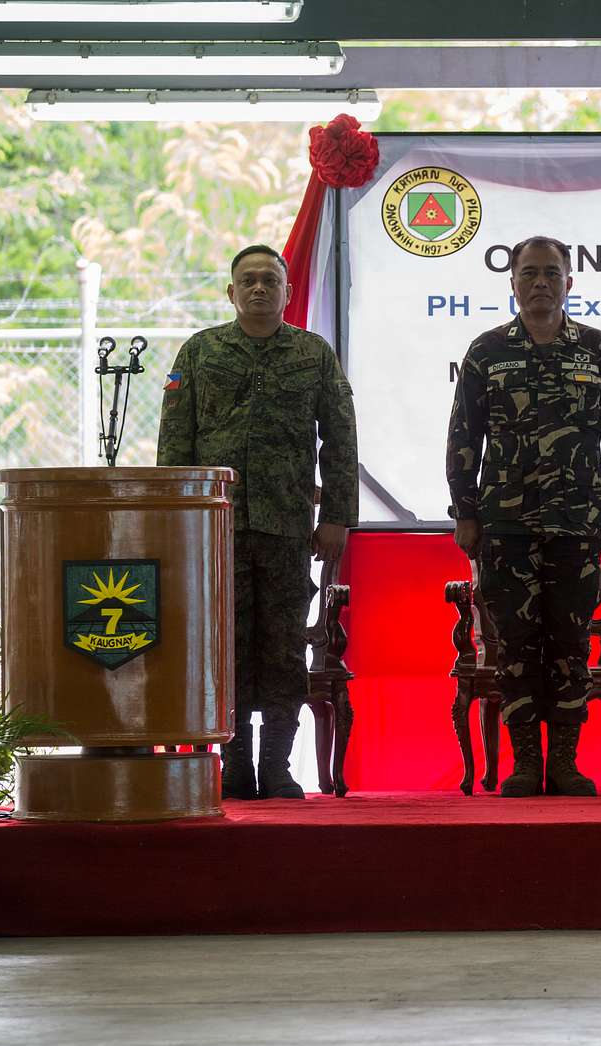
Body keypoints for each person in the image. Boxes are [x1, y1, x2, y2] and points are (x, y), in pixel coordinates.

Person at [157, 244, 358, 801]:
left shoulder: (313, 354)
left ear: (289, 292)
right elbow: (174, 442)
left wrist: (337, 515)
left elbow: (340, 440)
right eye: (248, 281)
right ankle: (236, 763)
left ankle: (277, 765)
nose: (259, 289)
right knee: (226, 645)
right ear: (231, 292)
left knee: (284, 647)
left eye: (270, 280)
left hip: (288, 525)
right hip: (215, 532)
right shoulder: (201, 352)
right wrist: (175, 520)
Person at [445, 235, 601, 798]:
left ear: (568, 283)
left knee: (571, 643)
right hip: (504, 522)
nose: (539, 284)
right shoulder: (487, 352)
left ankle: (566, 762)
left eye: (551, 274)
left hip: (578, 522)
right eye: (529, 273)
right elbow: (464, 438)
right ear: (512, 284)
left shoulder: (598, 350)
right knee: (515, 643)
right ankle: (526, 762)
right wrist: (464, 511)